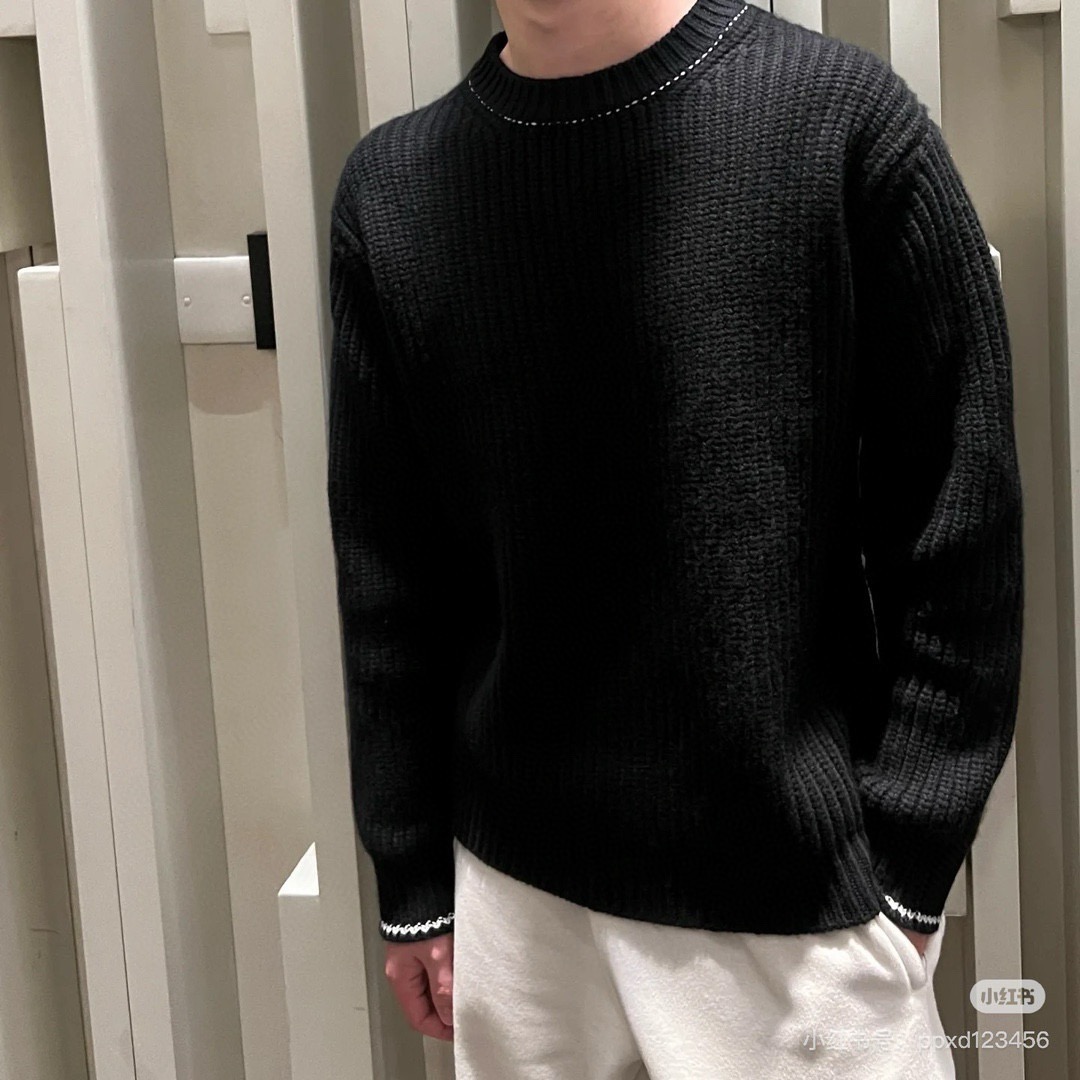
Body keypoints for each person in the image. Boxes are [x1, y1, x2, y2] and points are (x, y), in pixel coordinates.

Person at [326, 0, 1025, 1076]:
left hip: (798, 910)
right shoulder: (392, 190)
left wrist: (908, 873)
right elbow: (390, 576)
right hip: (514, 903)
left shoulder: (842, 124)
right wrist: (413, 877)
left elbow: (957, 526)